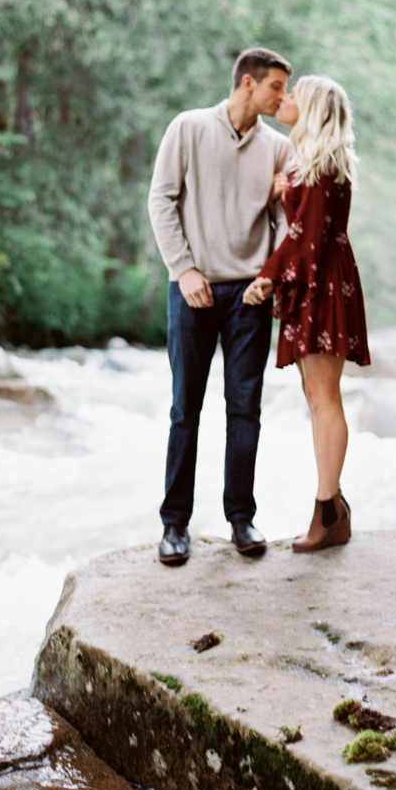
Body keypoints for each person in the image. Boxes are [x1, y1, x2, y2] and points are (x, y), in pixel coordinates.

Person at [148, 48, 293, 566]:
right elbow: (161, 199)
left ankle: (241, 519)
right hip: (191, 289)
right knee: (185, 408)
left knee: (244, 410)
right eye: (277, 87)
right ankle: (174, 525)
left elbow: (289, 222)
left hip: (249, 296)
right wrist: (184, 268)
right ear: (248, 83)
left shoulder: (279, 148)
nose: (283, 98)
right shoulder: (188, 128)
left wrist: (270, 277)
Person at [243, 75, 369, 552]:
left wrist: (267, 277)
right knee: (318, 397)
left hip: (321, 284)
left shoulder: (322, 167)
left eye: (294, 94)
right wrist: (285, 189)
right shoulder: (315, 164)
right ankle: (332, 510)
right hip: (319, 281)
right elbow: (304, 225)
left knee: (323, 398)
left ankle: (329, 511)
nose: (286, 98)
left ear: (312, 108)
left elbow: (304, 240)